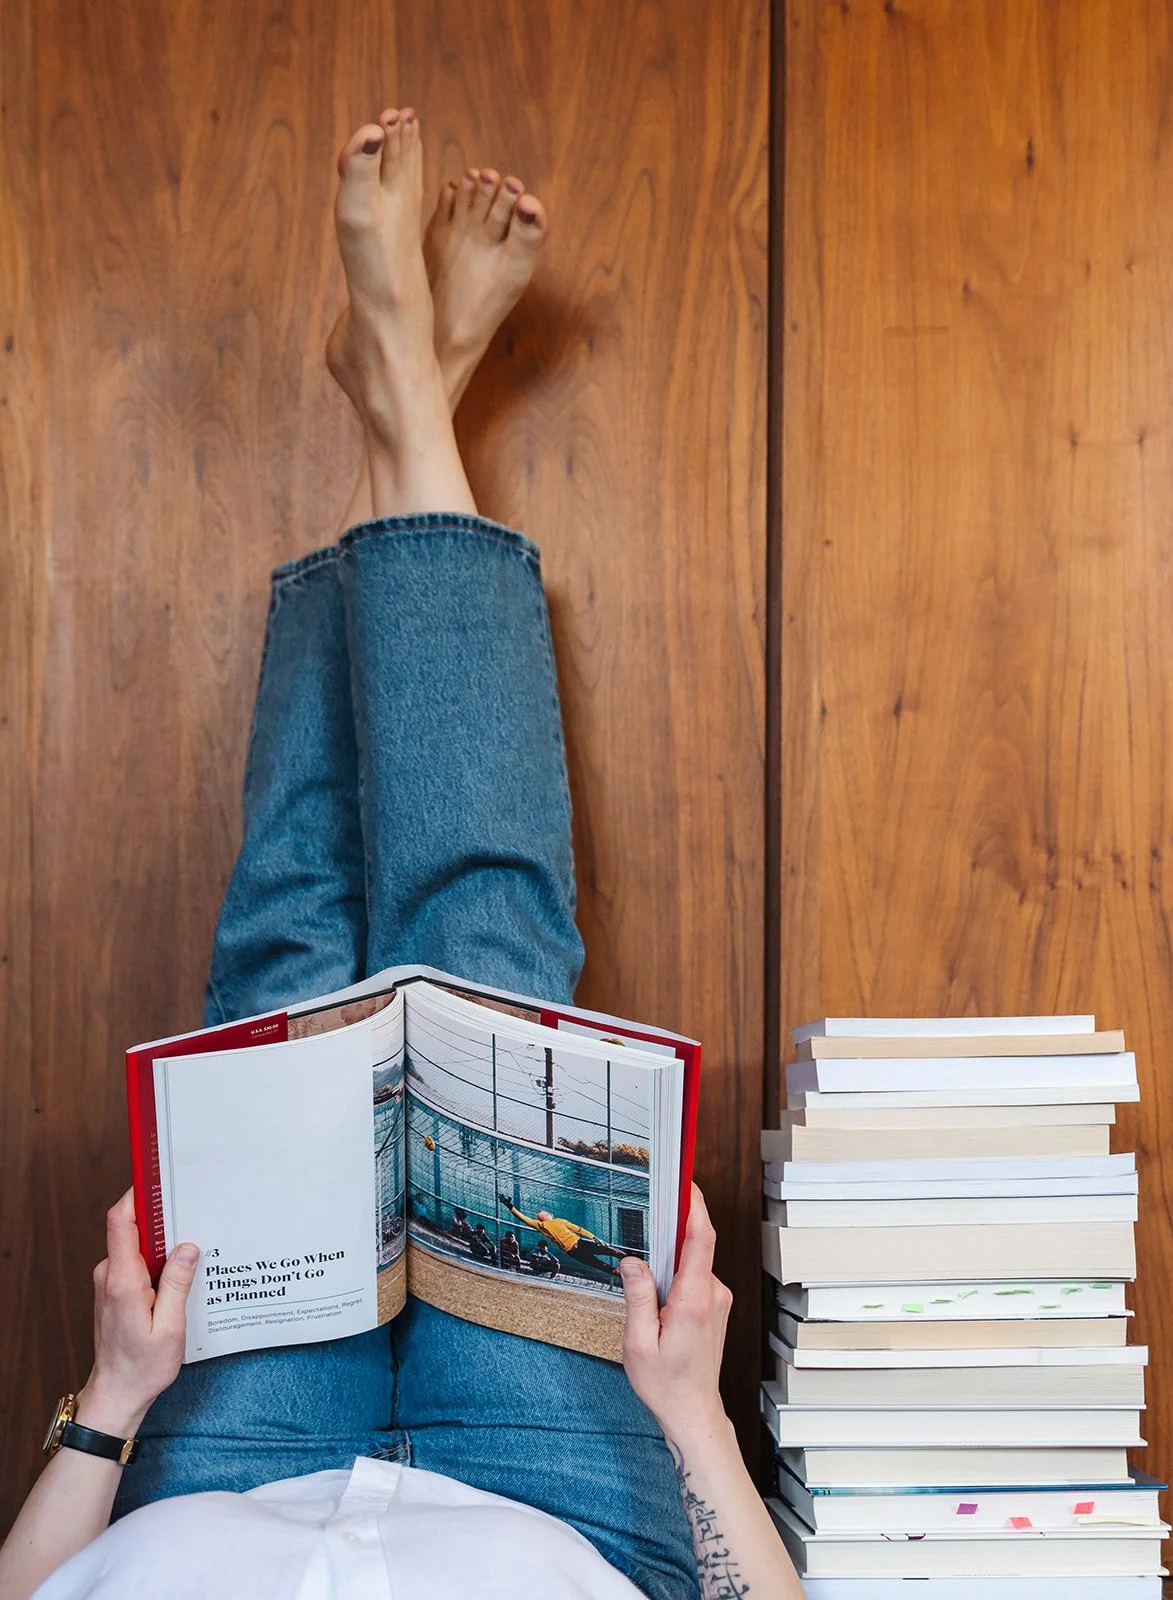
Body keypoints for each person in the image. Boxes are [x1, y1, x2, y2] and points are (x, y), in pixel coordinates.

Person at [0, 108, 803, 1600]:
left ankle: (404, 394)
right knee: (482, 949)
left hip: (217, 1471)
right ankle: (402, 396)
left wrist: (110, 1397)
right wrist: (691, 1411)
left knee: (286, 968)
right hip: (558, 1490)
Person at [499, 1194, 625, 1276]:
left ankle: (633, 1259)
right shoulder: (539, 1225)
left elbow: (579, 1229)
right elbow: (522, 1217)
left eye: (541, 1210)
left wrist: (593, 1237)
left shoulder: (560, 1221)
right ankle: (625, 1276)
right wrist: (509, 1205)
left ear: (549, 1215)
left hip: (580, 1243)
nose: (538, 1211)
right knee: (599, 1265)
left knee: (609, 1251)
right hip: (572, 1252)